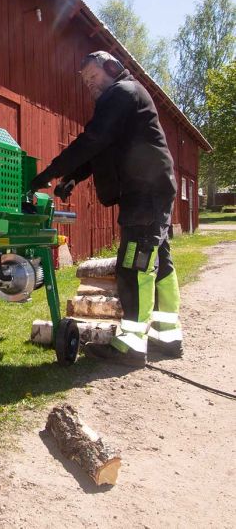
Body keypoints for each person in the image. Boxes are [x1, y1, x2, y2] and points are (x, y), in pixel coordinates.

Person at [29, 51, 183, 367]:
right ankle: (168, 335)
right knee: (159, 260)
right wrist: (73, 177)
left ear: (112, 69)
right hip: (149, 189)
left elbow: (92, 140)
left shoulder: (123, 93)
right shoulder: (120, 99)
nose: (90, 85)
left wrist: (49, 173)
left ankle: (130, 345)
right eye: (86, 82)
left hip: (145, 191)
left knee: (134, 263)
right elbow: (103, 148)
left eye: (94, 77)